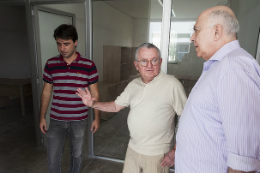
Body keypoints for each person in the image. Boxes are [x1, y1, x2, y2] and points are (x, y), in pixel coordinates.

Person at [76, 43, 187, 173]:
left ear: (160, 62)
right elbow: (115, 106)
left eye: (154, 60)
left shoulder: (172, 85)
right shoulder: (133, 85)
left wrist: (175, 150)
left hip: (157, 153)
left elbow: (187, 120)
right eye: (144, 61)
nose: (149, 65)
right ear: (136, 65)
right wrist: (92, 104)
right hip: (133, 149)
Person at [175, 6, 260, 173]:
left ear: (216, 31)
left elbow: (243, 163)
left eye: (196, 30)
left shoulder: (234, 68)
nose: (192, 38)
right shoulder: (220, 66)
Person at [39, 24, 100, 173]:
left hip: (79, 120)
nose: (62, 48)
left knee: (77, 155)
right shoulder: (51, 64)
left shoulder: (88, 66)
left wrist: (97, 117)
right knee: (53, 157)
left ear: (75, 42)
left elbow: (95, 94)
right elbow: (46, 92)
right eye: (59, 44)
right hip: (56, 120)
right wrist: (42, 117)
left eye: (66, 44)